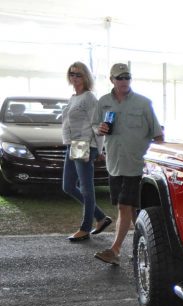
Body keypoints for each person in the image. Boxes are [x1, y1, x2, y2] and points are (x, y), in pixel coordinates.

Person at [93, 63, 163, 265]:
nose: (124, 81)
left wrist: (159, 164)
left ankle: (114, 251)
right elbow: (95, 125)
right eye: (120, 78)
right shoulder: (104, 102)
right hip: (114, 163)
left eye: (127, 77)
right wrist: (100, 129)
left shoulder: (143, 103)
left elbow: (158, 134)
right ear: (112, 80)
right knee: (131, 210)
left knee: (125, 206)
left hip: (137, 164)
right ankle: (149, 248)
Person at [61, 61, 113, 242]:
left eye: (78, 74)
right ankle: (101, 217)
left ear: (85, 77)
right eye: (71, 74)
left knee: (86, 188)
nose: (74, 77)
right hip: (72, 144)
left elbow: (97, 125)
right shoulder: (74, 97)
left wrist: (99, 149)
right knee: (68, 186)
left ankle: (85, 228)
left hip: (84, 144)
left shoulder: (89, 98)